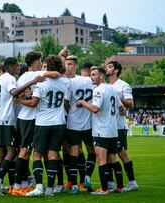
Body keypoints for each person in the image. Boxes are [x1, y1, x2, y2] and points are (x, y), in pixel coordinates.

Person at [0, 57, 44, 196]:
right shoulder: (10, 78)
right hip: (5, 119)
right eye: (17, 65)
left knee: (2, 153)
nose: (19, 67)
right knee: (12, 151)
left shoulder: (1, 78)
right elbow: (14, 93)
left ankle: (2, 184)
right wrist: (32, 82)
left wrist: (21, 93)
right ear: (11, 66)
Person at [17, 55, 70, 197]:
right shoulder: (65, 82)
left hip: (43, 122)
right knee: (53, 155)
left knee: (37, 155)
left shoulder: (41, 84)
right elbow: (63, 75)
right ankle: (50, 189)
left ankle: (39, 187)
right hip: (59, 123)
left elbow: (34, 103)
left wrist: (20, 101)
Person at [77, 66, 125, 195]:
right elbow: (122, 108)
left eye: (94, 75)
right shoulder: (112, 89)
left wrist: (82, 101)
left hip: (101, 131)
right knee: (113, 159)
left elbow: (95, 109)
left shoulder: (98, 90)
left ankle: (104, 189)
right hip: (113, 130)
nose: (91, 77)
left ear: (101, 76)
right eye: (91, 74)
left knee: (102, 159)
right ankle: (120, 187)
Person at [63, 55, 96, 194]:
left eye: (70, 64)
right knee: (76, 154)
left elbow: (65, 103)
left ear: (76, 66)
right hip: (76, 124)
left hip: (82, 123)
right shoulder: (89, 80)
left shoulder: (69, 83)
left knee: (89, 152)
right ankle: (78, 183)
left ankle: (83, 180)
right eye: (66, 64)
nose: (68, 66)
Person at [105, 61, 138, 192]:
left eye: (110, 66)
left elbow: (131, 103)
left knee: (122, 153)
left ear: (117, 70)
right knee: (108, 154)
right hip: (108, 126)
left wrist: (118, 98)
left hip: (119, 125)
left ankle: (132, 182)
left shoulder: (123, 85)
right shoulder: (106, 86)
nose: (107, 68)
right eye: (107, 66)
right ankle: (111, 183)